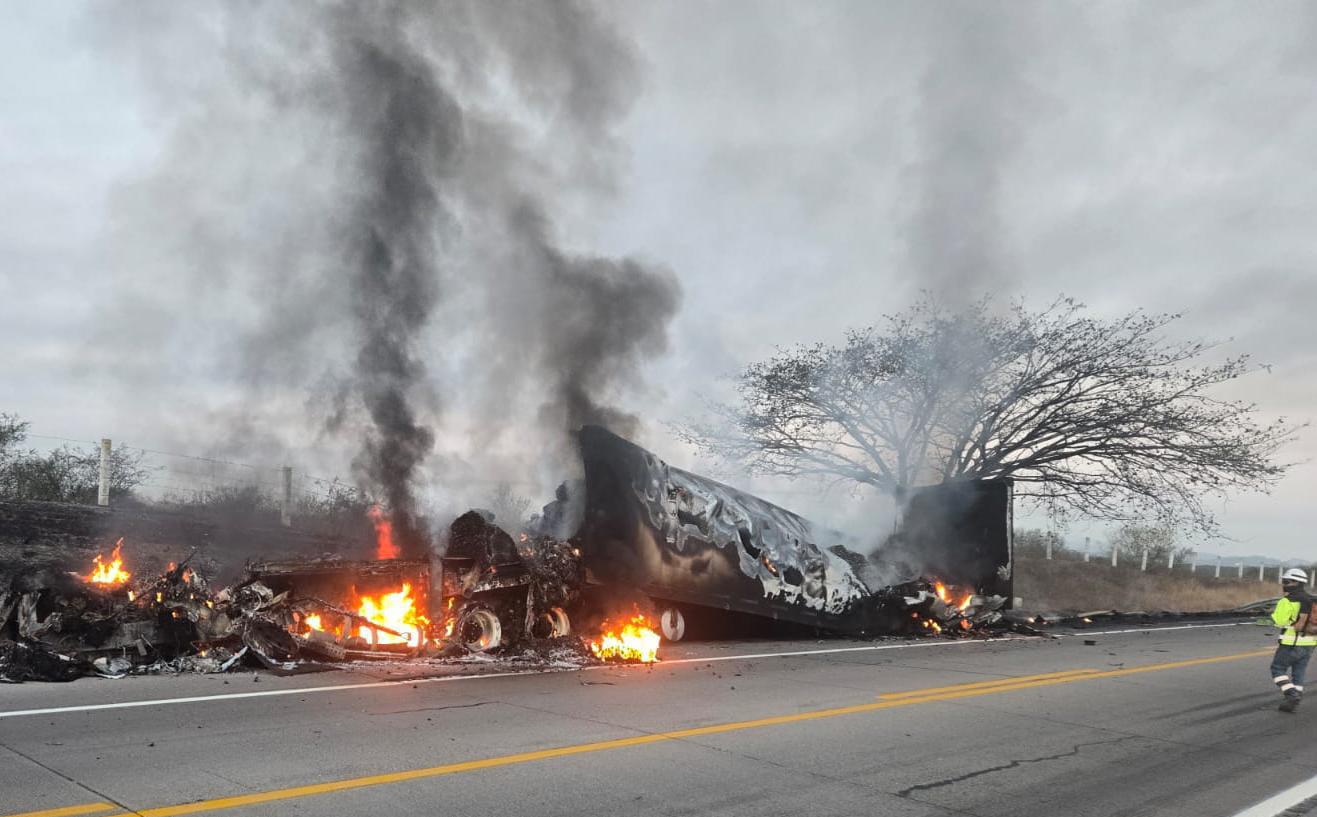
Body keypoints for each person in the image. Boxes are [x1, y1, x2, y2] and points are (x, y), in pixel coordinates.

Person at [1270, 568, 1317, 713]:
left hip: (1291, 643)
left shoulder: (1287, 601)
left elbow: (1279, 620)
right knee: (1299, 671)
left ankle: (1291, 694)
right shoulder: (1312, 600)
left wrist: (1274, 617)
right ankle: (1294, 700)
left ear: (1296, 582)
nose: (1284, 584)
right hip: (1310, 643)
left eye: (1286, 581)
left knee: (1277, 669)